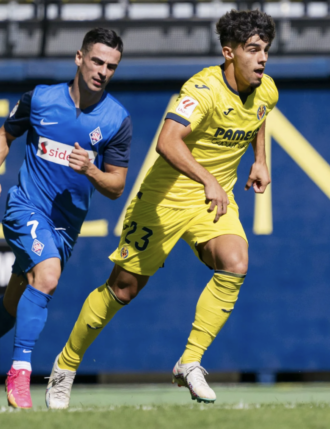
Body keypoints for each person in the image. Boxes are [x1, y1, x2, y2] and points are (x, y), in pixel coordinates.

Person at [44, 9, 278, 409]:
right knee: (124, 288)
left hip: (211, 202)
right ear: (228, 52)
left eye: (266, 50)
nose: (262, 59)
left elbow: (258, 117)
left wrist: (260, 160)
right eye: (253, 50)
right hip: (163, 201)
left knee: (235, 261)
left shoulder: (266, 89)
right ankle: (64, 368)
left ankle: (189, 362)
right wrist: (207, 179)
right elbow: (167, 142)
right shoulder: (202, 91)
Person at [0, 28, 132, 409]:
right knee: (47, 276)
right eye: (96, 61)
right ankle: (20, 374)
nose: (102, 71)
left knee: (16, 304)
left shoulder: (116, 119)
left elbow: (116, 186)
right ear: (79, 58)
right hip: (26, 207)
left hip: (66, 226)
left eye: (111, 66)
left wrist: (93, 172)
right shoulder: (41, 98)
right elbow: (5, 133)